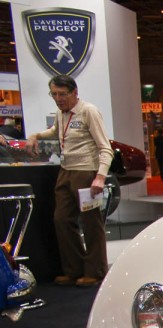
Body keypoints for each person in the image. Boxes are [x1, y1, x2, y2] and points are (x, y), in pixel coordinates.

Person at [24, 74, 113, 287]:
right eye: (54, 94)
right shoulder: (61, 113)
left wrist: (100, 176)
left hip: (86, 171)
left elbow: (105, 147)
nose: (58, 98)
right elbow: (56, 132)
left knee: (91, 223)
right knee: (62, 219)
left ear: (74, 92)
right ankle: (73, 269)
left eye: (62, 94)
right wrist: (36, 135)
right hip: (66, 170)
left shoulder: (88, 111)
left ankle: (96, 270)